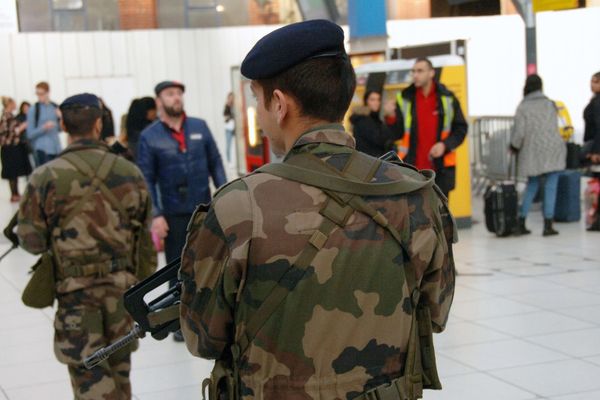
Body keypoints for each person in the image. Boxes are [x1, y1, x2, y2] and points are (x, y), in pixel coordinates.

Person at [179, 20, 456, 399]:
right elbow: (435, 313)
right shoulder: (415, 195)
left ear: (279, 104)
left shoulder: (238, 206)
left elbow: (202, 338)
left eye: (257, 100)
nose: (257, 115)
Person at [16, 93, 155, 400]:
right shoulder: (129, 171)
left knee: (88, 378)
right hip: (122, 292)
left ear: (63, 124)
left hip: (75, 295)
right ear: (98, 123)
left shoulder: (45, 176)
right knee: (121, 376)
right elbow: (144, 233)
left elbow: (31, 240)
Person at [137, 81, 226, 341]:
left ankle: (210, 316)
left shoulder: (199, 127)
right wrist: (156, 215)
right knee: (177, 268)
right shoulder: (150, 136)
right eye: (170, 94)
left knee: (210, 262)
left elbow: (216, 163)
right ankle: (176, 323)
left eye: (179, 93)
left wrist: (227, 195)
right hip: (173, 213)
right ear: (159, 101)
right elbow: (146, 178)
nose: (176, 98)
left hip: (205, 209)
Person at [386, 58, 467, 198]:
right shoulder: (405, 98)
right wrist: (390, 117)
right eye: (413, 71)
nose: (415, 75)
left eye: (420, 71)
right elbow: (396, 133)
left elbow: (461, 129)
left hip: (440, 170)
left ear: (431, 73)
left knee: (440, 216)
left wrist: (444, 145)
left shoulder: (447, 98)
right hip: (411, 170)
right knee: (414, 216)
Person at [511, 74, 566, 236]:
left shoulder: (523, 107)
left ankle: (521, 221)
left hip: (533, 150)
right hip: (553, 148)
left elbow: (519, 132)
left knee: (532, 185)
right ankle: (548, 225)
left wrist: (514, 146)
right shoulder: (550, 104)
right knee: (551, 186)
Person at [350, 90, 402, 157]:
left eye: (378, 99)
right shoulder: (363, 120)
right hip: (369, 161)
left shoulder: (374, 118)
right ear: (366, 101)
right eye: (372, 100)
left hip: (372, 160)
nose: (376, 102)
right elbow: (381, 140)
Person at [1, 97, 32, 202]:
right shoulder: (7, 116)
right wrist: (22, 127)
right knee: (12, 172)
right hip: (10, 148)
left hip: (11, 147)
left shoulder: (8, 116)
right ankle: (14, 194)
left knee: (14, 171)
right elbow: (10, 132)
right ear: (9, 104)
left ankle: (16, 193)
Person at [26, 81, 61, 166]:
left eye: (41, 93)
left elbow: (61, 129)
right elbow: (29, 134)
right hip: (41, 149)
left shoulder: (55, 107)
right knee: (45, 178)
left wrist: (61, 117)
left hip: (56, 149)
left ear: (48, 93)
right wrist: (44, 128)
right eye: (37, 94)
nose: (39, 96)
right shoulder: (33, 110)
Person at [583, 71, 600, 231]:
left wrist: (595, 151)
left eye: (596, 82)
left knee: (597, 184)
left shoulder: (598, 102)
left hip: (597, 149)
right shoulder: (595, 100)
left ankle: (597, 219)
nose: (592, 84)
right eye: (592, 81)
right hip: (595, 146)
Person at [223, 92, 236, 164]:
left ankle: (233, 161)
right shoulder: (227, 106)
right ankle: (229, 161)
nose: (231, 99)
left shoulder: (234, 106)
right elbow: (225, 118)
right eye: (230, 97)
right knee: (228, 145)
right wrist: (231, 116)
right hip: (228, 129)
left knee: (234, 145)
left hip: (234, 128)